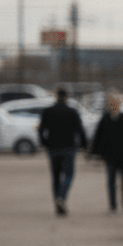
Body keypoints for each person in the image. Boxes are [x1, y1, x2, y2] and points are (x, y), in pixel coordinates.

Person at [37, 86, 87, 215]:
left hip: (53, 148)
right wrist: (84, 145)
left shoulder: (48, 111)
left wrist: (44, 143)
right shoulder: (72, 112)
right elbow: (80, 130)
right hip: (69, 147)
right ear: (67, 97)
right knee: (69, 174)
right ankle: (62, 197)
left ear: (56, 96)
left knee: (56, 176)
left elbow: (41, 129)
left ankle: (57, 201)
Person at [91, 90, 123, 211]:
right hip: (110, 155)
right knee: (111, 180)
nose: (113, 105)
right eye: (111, 102)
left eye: (115, 102)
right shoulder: (105, 119)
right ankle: (113, 204)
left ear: (119, 103)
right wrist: (95, 153)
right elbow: (98, 136)